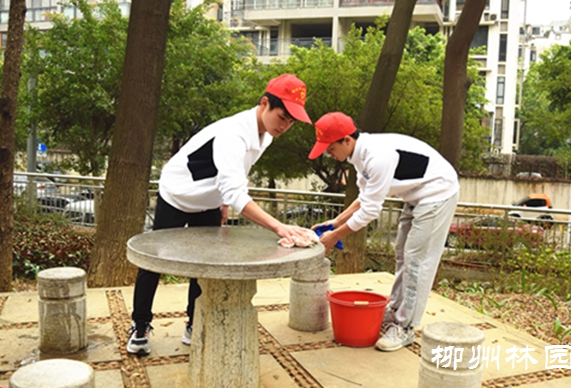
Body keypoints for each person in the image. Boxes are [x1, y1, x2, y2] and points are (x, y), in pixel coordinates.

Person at [127, 73, 313, 355]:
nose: (285, 126)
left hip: (210, 202)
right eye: (283, 117)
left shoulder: (265, 134)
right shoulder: (233, 133)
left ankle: (195, 321)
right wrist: (279, 227)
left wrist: (223, 202)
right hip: (177, 195)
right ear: (265, 103)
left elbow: (234, 176)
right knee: (154, 262)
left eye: (291, 121)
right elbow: (236, 190)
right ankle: (140, 324)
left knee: (205, 263)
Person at [308, 112, 459, 352]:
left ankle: (405, 327)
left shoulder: (377, 156)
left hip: (437, 193)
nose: (328, 153)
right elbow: (364, 198)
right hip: (415, 196)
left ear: (347, 140)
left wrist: (336, 236)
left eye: (330, 147)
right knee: (402, 254)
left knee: (417, 261)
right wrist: (335, 223)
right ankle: (395, 311)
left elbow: (370, 211)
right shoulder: (359, 157)